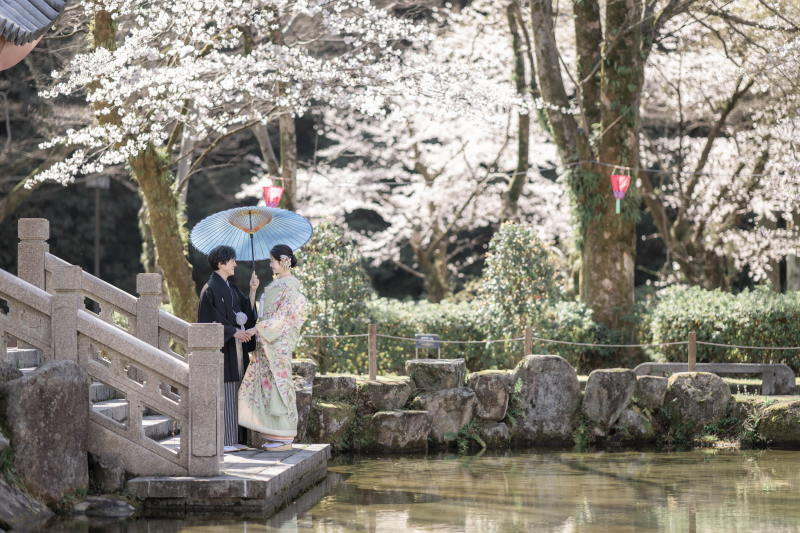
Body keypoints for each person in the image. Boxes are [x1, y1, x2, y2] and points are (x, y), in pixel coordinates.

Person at [238, 244, 307, 451]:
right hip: (268, 342)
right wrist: (254, 290)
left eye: (272, 261)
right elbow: (267, 314)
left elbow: (284, 318)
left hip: (277, 344)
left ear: (283, 261)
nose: (270, 264)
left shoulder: (290, 287)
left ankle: (284, 436)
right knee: (267, 387)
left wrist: (257, 328)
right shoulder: (278, 285)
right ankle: (274, 433)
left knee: (278, 386)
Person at [197, 245, 259, 452]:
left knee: (238, 390)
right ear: (220, 263)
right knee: (226, 390)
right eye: (231, 260)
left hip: (238, 348)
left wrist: (252, 290)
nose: (235, 263)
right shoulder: (210, 288)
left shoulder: (230, 287)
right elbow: (208, 319)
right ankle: (225, 441)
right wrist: (233, 332)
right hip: (225, 350)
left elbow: (246, 309)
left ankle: (237, 441)